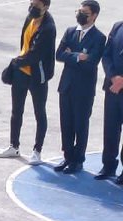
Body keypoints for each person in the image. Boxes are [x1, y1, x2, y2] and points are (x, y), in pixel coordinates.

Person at [0, 0, 56, 165]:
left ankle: (37, 151)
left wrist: (15, 62)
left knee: (39, 112)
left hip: (37, 75)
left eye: (36, 5)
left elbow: (35, 56)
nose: (32, 7)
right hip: (21, 73)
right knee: (16, 111)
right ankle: (14, 146)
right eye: (31, 3)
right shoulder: (30, 18)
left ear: (46, 7)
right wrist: (19, 64)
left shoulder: (48, 28)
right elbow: (24, 43)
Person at [54, 1, 104, 175]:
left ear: (94, 15)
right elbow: (58, 54)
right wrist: (77, 56)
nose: (80, 15)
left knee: (80, 125)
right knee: (66, 123)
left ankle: (78, 160)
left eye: (85, 12)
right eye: (79, 11)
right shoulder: (70, 32)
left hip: (83, 90)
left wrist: (70, 55)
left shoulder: (99, 38)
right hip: (66, 86)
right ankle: (67, 156)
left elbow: (91, 63)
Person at [98, 19, 123, 183]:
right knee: (111, 127)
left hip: (119, 84)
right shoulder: (118, 26)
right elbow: (106, 54)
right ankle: (108, 166)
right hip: (113, 87)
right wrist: (114, 77)